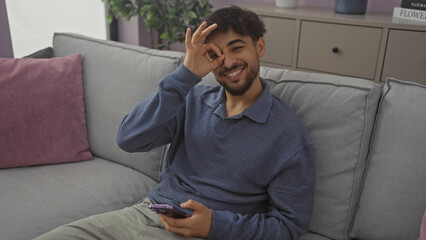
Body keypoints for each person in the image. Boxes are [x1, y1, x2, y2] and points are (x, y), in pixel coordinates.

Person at [36, 6, 315, 240]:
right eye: (215, 54)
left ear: (260, 47)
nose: (228, 62)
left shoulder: (288, 134)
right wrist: (185, 76)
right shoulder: (192, 98)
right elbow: (128, 139)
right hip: (146, 215)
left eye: (237, 48)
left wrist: (215, 225)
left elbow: (289, 226)